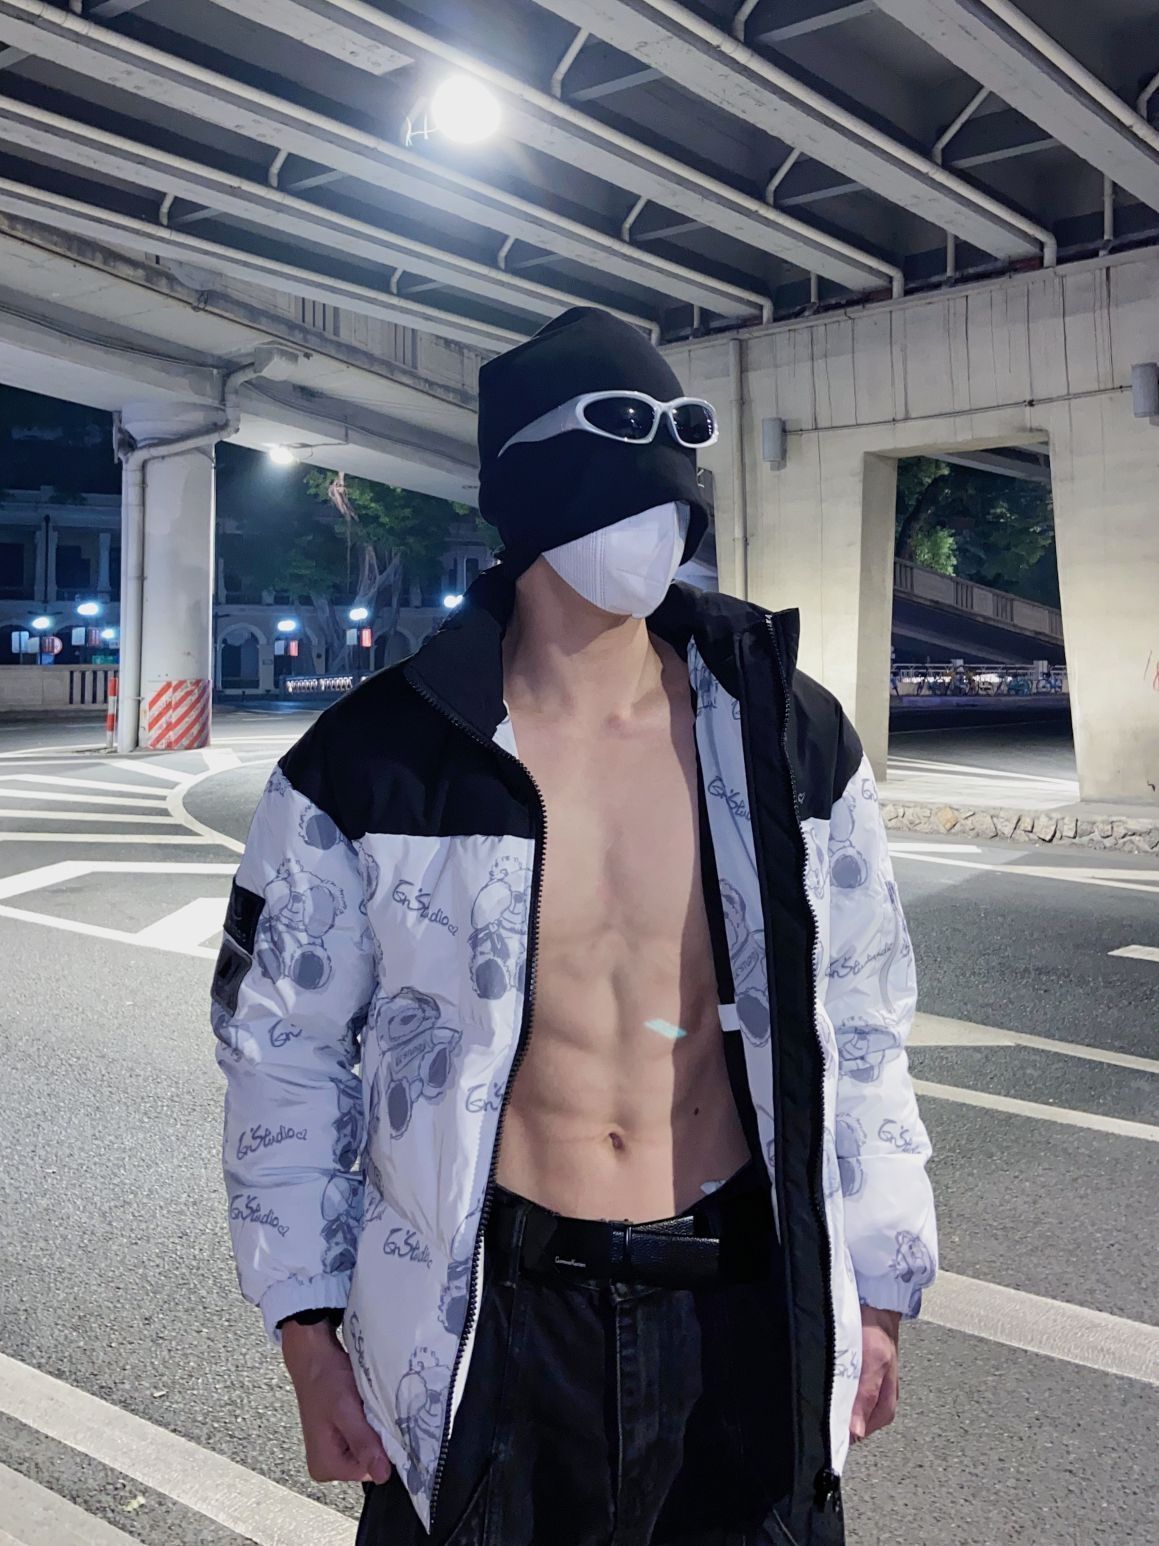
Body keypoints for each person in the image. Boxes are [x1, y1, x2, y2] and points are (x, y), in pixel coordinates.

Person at [212, 308, 937, 1546]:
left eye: (676, 470)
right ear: (523, 488)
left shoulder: (781, 735)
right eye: (624, 466)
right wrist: (307, 1330)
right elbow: (280, 1051)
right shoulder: (376, 761)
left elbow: (861, 1017)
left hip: (738, 1309)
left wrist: (878, 1282)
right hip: (492, 1324)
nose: (658, 512)